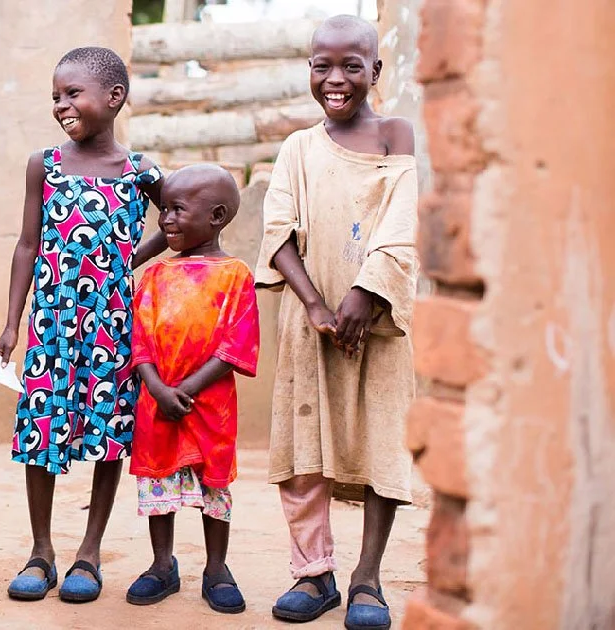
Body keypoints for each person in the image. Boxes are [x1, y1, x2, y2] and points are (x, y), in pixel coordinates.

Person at [254, 15, 419, 630]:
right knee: (303, 453)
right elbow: (278, 232)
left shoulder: (395, 134)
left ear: (375, 71)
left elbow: (401, 222)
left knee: (382, 440)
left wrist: (365, 291)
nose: (336, 78)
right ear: (309, 70)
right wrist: (318, 304)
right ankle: (313, 573)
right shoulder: (298, 147)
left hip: (378, 323)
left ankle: (367, 578)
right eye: (322, 65)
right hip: (310, 324)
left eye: (352, 65)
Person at [0, 46, 167, 604]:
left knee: (111, 434)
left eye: (73, 93)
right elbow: (26, 245)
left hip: (114, 328)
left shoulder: (140, 172)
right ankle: (41, 551)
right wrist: (11, 322)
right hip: (52, 325)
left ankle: (89, 553)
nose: (61, 105)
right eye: (55, 96)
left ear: (114, 98)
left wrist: (128, 260)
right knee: (39, 429)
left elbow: (180, 216)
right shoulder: (44, 165)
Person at [123, 165, 259, 615]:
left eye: (178, 210)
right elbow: (139, 339)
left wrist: (188, 388)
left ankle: (217, 569)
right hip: (158, 402)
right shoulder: (157, 276)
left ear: (216, 216)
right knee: (158, 481)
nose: (166, 220)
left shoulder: (236, 274)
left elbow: (235, 345)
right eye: (164, 210)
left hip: (209, 405)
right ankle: (163, 564)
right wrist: (158, 388)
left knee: (213, 486)